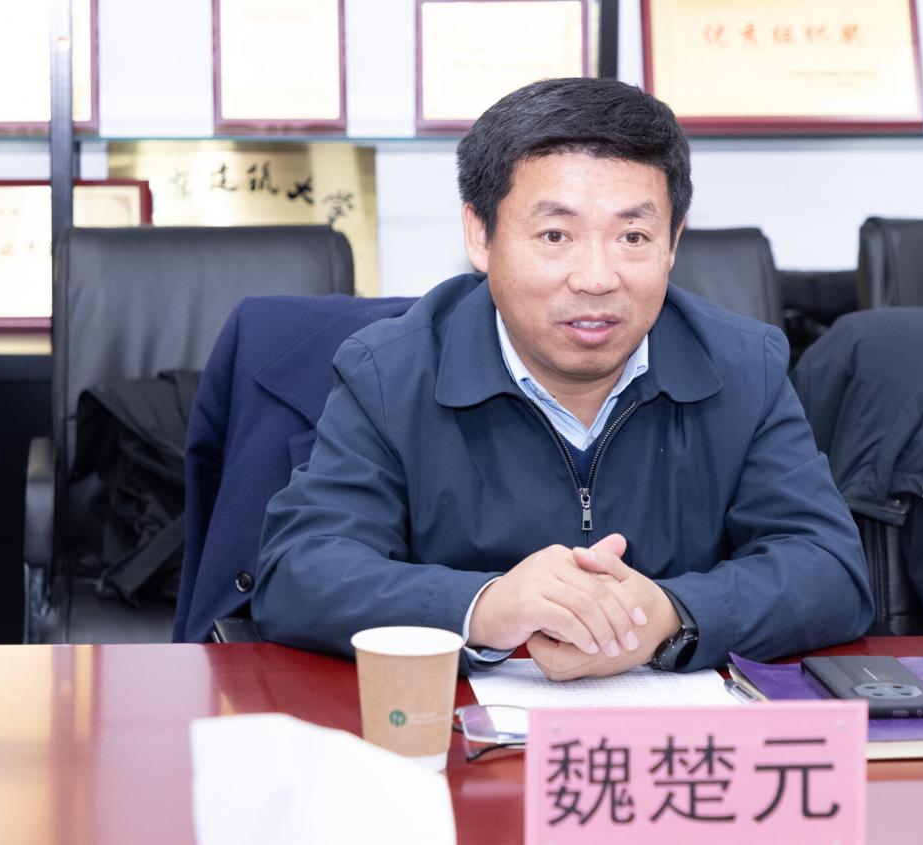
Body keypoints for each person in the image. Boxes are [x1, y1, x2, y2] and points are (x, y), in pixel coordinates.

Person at [252, 77, 873, 680]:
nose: (596, 278)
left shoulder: (743, 366)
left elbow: (829, 569)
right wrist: (486, 607)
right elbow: (300, 571)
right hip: (459, 729)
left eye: (633, 236)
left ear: (673, 242)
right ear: (480, 235)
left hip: (667, 733)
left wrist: (668, 615)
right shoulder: (390, 373)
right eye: (555, 235)